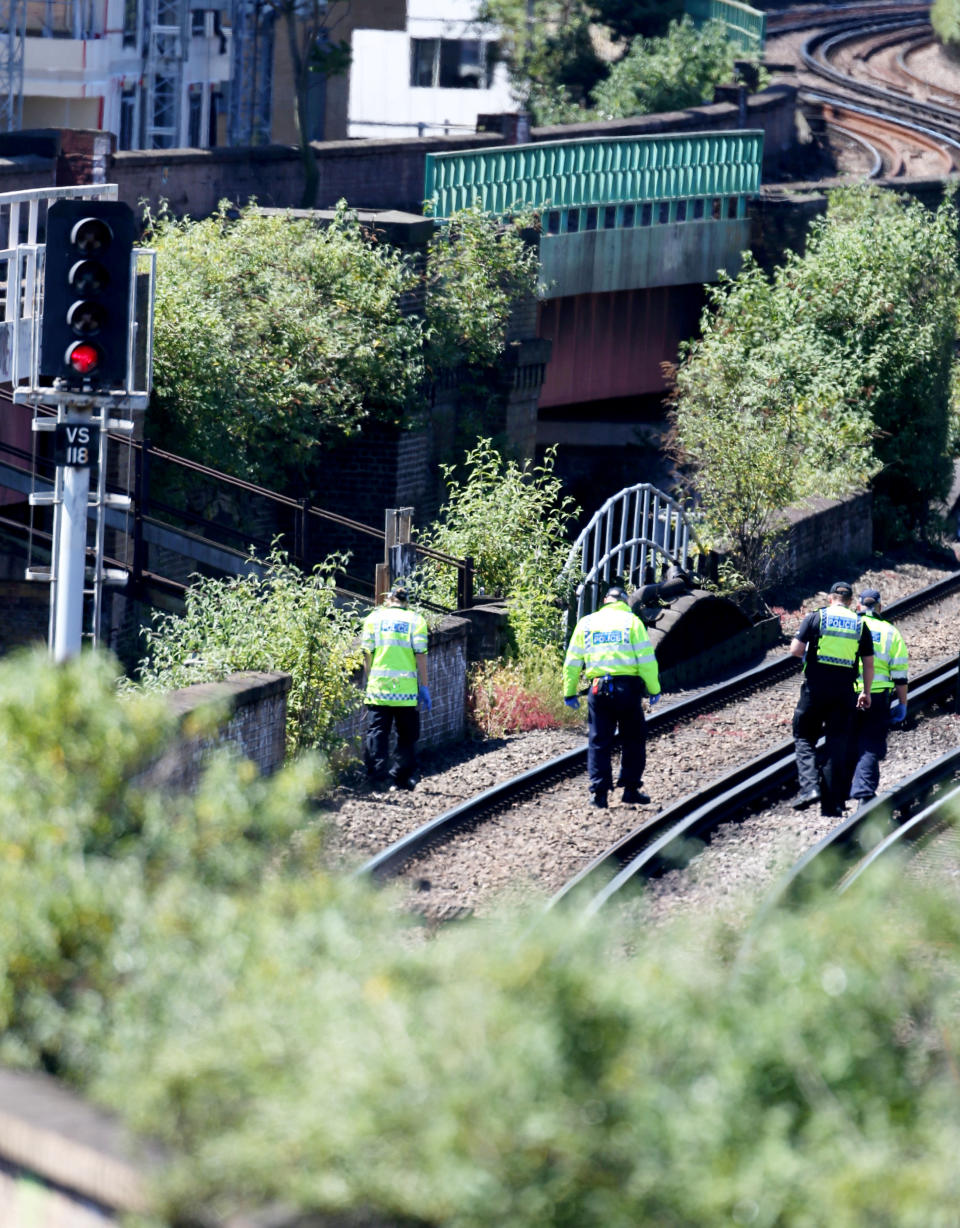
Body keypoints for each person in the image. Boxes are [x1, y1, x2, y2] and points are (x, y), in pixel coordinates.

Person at [562, 584, 661, 809]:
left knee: (598, 741)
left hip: (598, 689)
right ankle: (630, 789)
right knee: (633, 738)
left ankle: (599, 795)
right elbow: (646, 661)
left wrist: (569, 691)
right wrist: (654, 689)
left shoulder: (586, 623)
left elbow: (573, 661)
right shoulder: (632, 622)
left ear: (605, 601)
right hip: (627, 690)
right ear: (625, 602)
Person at [788, 580, 874, 818]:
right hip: (845, 692)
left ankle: (809, 788)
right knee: (836, 744)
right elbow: (868, 663)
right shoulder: (860, 624)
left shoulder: (816, 618)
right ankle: (831, 805)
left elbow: (795, 650)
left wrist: (811, 653)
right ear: (850, 602)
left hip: (815, 689)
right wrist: (865, 692)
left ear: (830, 598)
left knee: (804, 736)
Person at [361, 584, 430, 791]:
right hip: (406, 693)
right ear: (406, 601)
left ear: (388, 599)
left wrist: (370, 680)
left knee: (377, 734)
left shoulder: (373, 619)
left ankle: (376, 780)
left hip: (379, 690)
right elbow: (421, 656)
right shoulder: (416, 621)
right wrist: (424, 687)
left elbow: (367, 654)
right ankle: (401, 778)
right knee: (407, 736)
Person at [849, 588, 908, 808]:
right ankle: (863, 793)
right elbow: (900, 674)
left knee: (846, 739)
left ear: (858, 606)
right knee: (870, 743)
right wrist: (902, 703)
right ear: (880, 607)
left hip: (847, 692)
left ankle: (840, 791)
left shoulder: (850, 627)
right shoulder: (890, 632)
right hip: (878, 694)